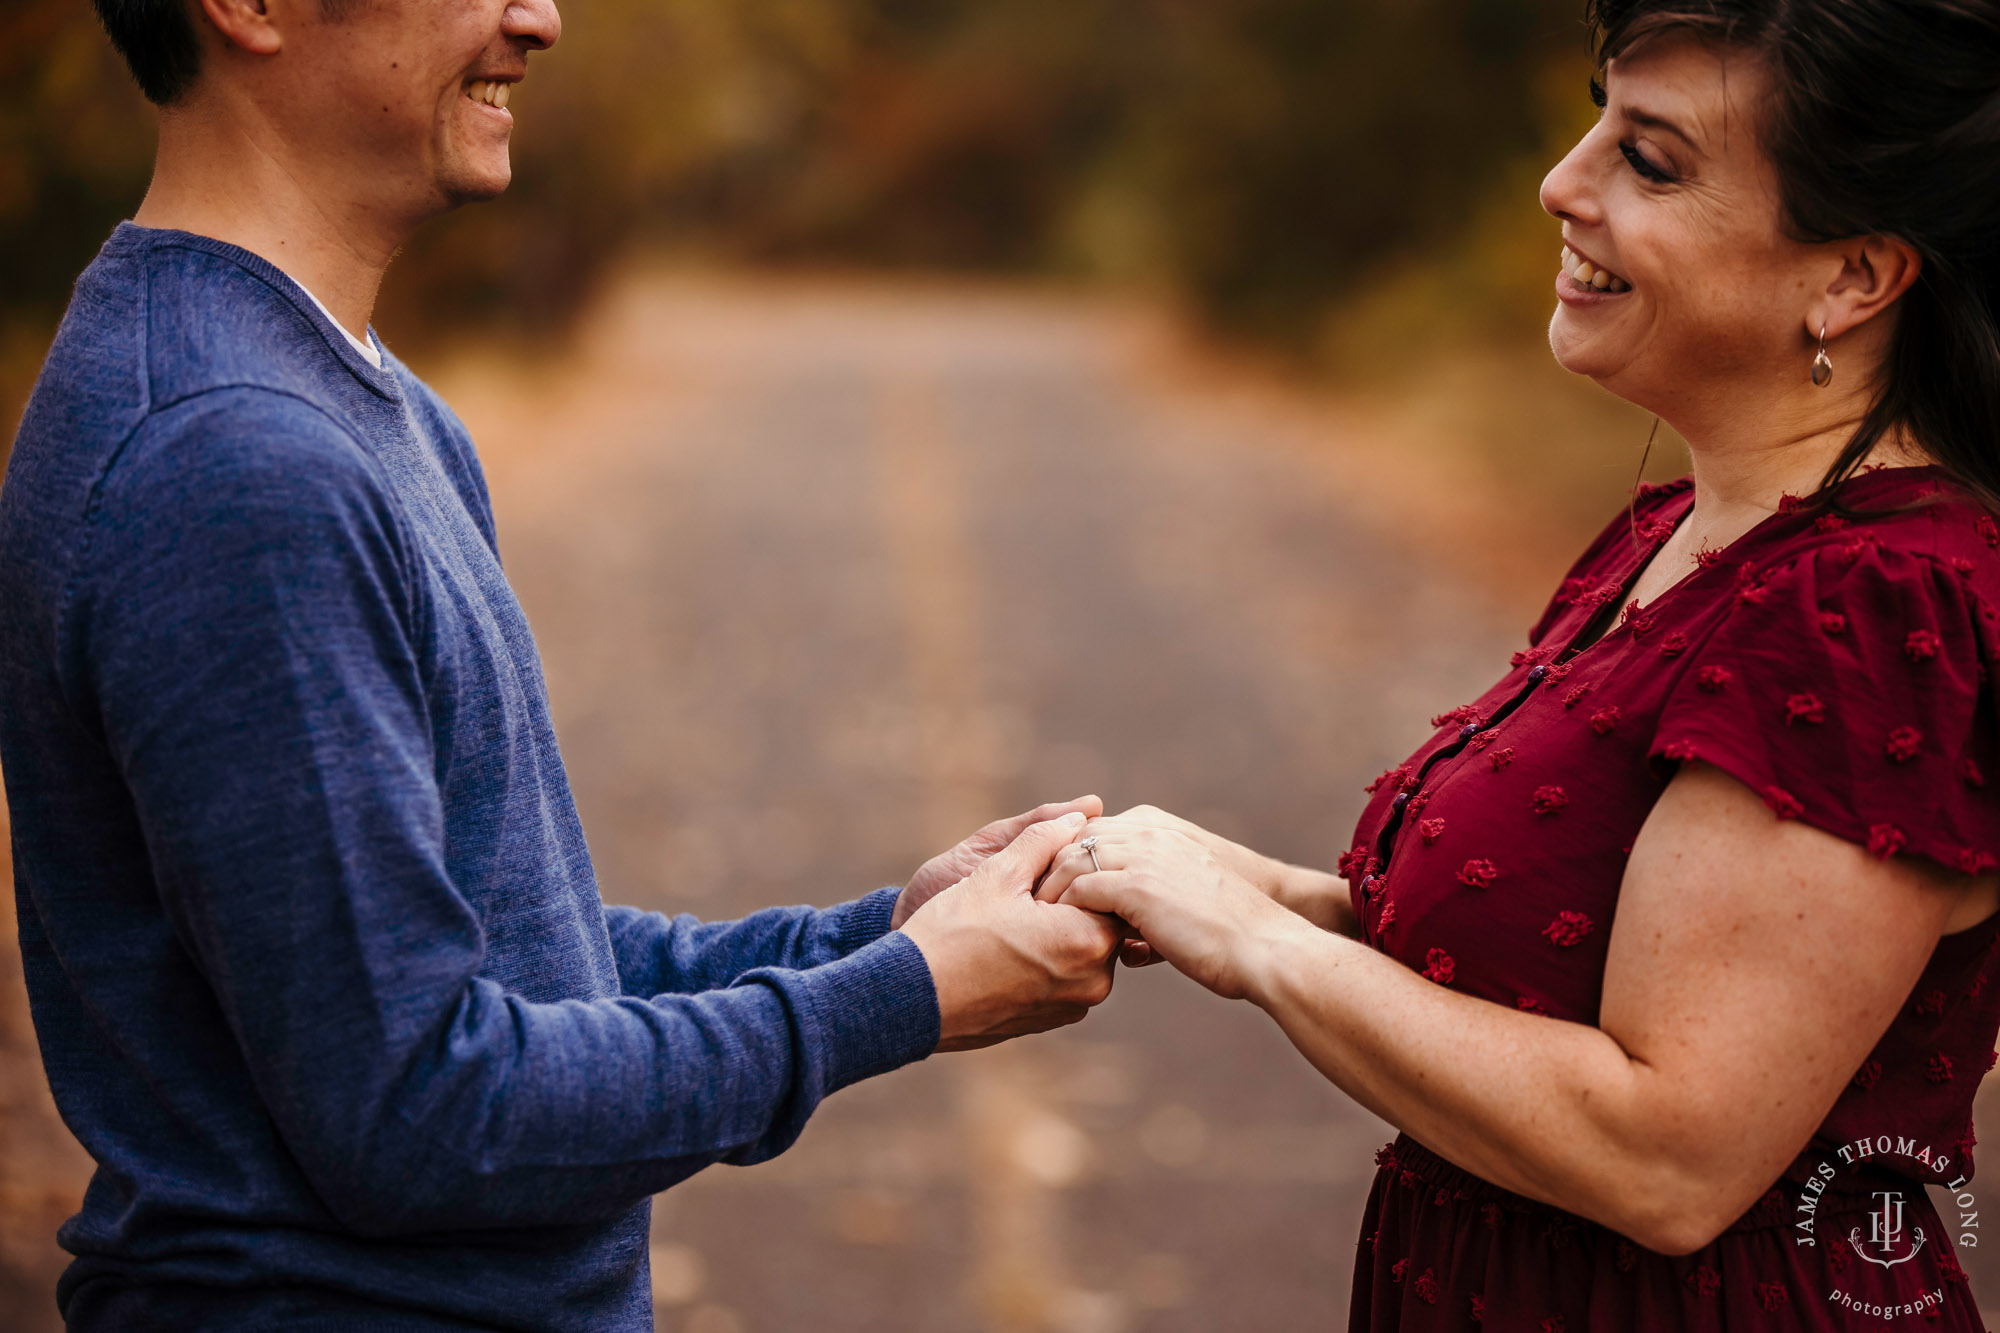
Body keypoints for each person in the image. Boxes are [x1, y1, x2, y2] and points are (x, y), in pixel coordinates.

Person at [0, 0, 1124, 1328]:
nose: (539, 16)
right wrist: (902, 998)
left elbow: (489, 960)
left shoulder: (355, 403)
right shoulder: (234, 461)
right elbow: (423, 1111)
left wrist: (885, 933)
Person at [1039, 1, 2000, 1327]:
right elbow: (1530, 965)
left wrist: (1261, 943)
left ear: (1851, 278)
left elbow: (1669, 1153)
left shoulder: (1878, 609)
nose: (1563, 182)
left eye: (1651, 161)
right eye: (1599, 116)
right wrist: (1230, 886)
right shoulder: (1682, 531)